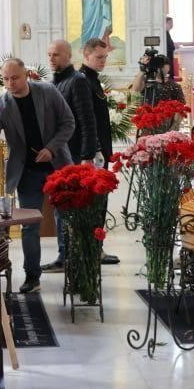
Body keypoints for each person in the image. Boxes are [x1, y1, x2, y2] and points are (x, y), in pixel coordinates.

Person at [0, 58, 76, 293]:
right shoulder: (2, 104)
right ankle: (32, 276)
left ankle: (70, 267)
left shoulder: (47, 92)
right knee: (30, 225)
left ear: (26, 75)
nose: (10, 83)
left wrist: (51, 148)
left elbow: (69, 123)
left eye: (15, 78)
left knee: (65, 218)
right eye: (6, 79)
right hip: (27, 171)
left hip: (57, 165)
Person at [42, 39, 97, 273]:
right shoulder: (54, 82)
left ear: (68, 56)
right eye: (49, 55)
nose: (51, 59)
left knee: (70, 209)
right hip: (60, 156)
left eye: (56, 55)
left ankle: (73, 256)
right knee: (61, 207)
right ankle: (65, 255)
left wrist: (86, 156)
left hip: (73, 155)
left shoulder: (78, 81)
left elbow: (87, 120)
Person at [80, 38, 120, 265]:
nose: (103, 61)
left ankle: (97, 248)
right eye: (98, 57)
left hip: (100, 150)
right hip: (94, 152)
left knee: (99, 203)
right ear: (86, 56)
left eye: (105, 57)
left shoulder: (92, 79)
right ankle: (94, 249)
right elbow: (87, 120)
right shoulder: (84, 81)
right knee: (95, 203)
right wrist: (96, 150)